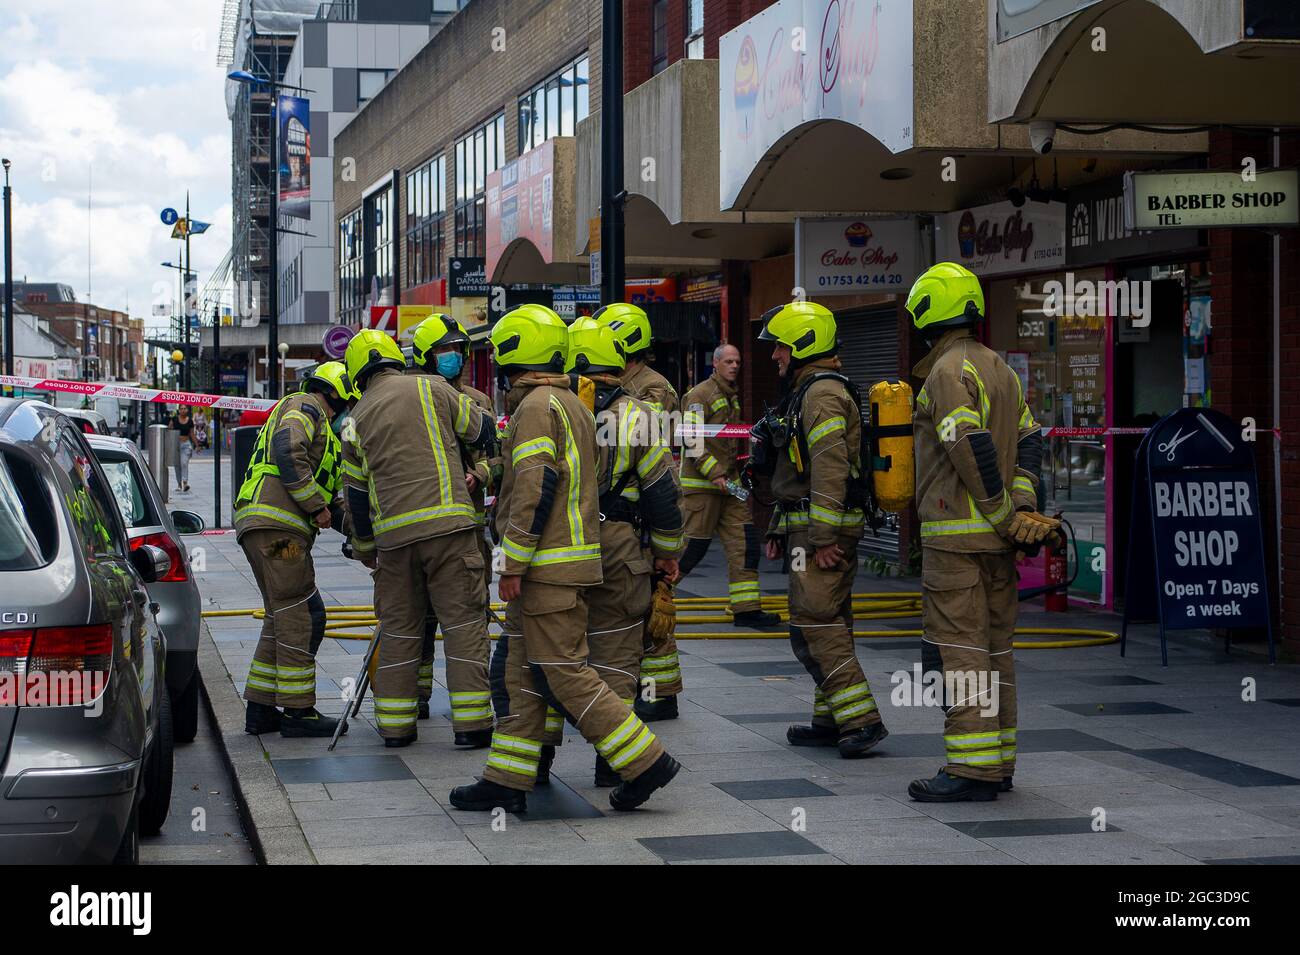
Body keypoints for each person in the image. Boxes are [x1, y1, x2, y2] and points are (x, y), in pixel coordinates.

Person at [450, 305, 680, 813]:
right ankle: (508, 778)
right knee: (520, 672)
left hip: (546, 566)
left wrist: (512, 562)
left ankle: (644, 762)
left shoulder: (538, 406)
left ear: (515, 350)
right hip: (578, 558)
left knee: (563, 670)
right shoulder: (568, 403)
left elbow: (536, 485)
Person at [903, 263, 1057, 802]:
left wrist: (998, 511)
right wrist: (1021, 510)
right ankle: (999, 762)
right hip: (996, 545)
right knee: (996, 651)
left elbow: (968, 446)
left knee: (959, 651)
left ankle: (971, 769)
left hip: (957, 544)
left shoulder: (947, 371)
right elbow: (1031, 443)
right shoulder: (1000, 368)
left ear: (930, 311)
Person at [340, 329, 497, 748]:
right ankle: (472, 726)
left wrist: (367, 549)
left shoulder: (352, 421)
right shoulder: (432, 388)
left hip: (393, 542)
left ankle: (395, 728)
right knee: (464, 625)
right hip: (449, 530)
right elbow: (482, 432)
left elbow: (355, 496)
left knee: (399, 632)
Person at [757, 301, 888, 759]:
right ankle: (831, 718)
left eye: (780, 347)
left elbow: (830, 469)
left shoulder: (822, 395)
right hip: (809, 529)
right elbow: (797, 471)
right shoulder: (809, 391)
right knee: (829, 624)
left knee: (813, 624)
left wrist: (824, 539)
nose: (775, 356)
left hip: (821, 535)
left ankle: (861, 720)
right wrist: (778, 526)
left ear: (803, 346)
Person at [560, 317, 684, 786]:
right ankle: (614, 762)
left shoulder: (552, 408)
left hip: (559, 548)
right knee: (614, 656)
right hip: (619, 547)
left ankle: (532, 764)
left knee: (551, 654)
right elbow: (662, 494)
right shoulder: (639, 416)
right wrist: (667, 555)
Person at [234, 361, 355, 738]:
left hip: (269, 528)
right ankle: (299, 713)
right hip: (277, 532)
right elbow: (288, 451)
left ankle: (261, 708)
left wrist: (365, 536)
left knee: (284, 612)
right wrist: (314, 505)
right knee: (300, 614)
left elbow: (334, 507)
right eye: (349, 404)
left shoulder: (329, 440)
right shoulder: (305, 405)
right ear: (335, 394)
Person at [406, 313, 497, 729]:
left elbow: (500, 453)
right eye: (445, 351)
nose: (454, 357)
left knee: (469, 618)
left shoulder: (478, 401)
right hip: (421, 527)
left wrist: (480, 474)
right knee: (417, 619)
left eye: (458, 350)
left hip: (468, 528)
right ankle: (415, 697)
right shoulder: (409, 397)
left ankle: (475, 706)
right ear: (427, 356)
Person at [594, 301, 683, 720]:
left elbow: (645, 447)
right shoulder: (625, 381)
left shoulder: (652, 388)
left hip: (643, 510)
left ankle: (660, 693)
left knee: (651, 602)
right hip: (634, 509)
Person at [678, 343, 779, 630]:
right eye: (729, 362)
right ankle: (651, 601)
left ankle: (746, 610)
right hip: (702, 489)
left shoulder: (731, 397)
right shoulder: (699, 395)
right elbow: (692, 440)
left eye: (737, 362)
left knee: (745, 545)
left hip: (729, 488)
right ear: (716, 364)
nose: (734, 366)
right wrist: (716, 474)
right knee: (690, 551)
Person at [170, 405, 198, 492]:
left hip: (186, 444)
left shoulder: (190, 421)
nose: (183, 410)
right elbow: (169, 430)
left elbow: (192, 434)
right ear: (179, 410)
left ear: (187, 410)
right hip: (176, 444)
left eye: (184, 408)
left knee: (184, 463)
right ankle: (179, 484)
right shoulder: (174, 419)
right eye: (181, 409)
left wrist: (197, 445)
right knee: (177, 465)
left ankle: (185, 483)